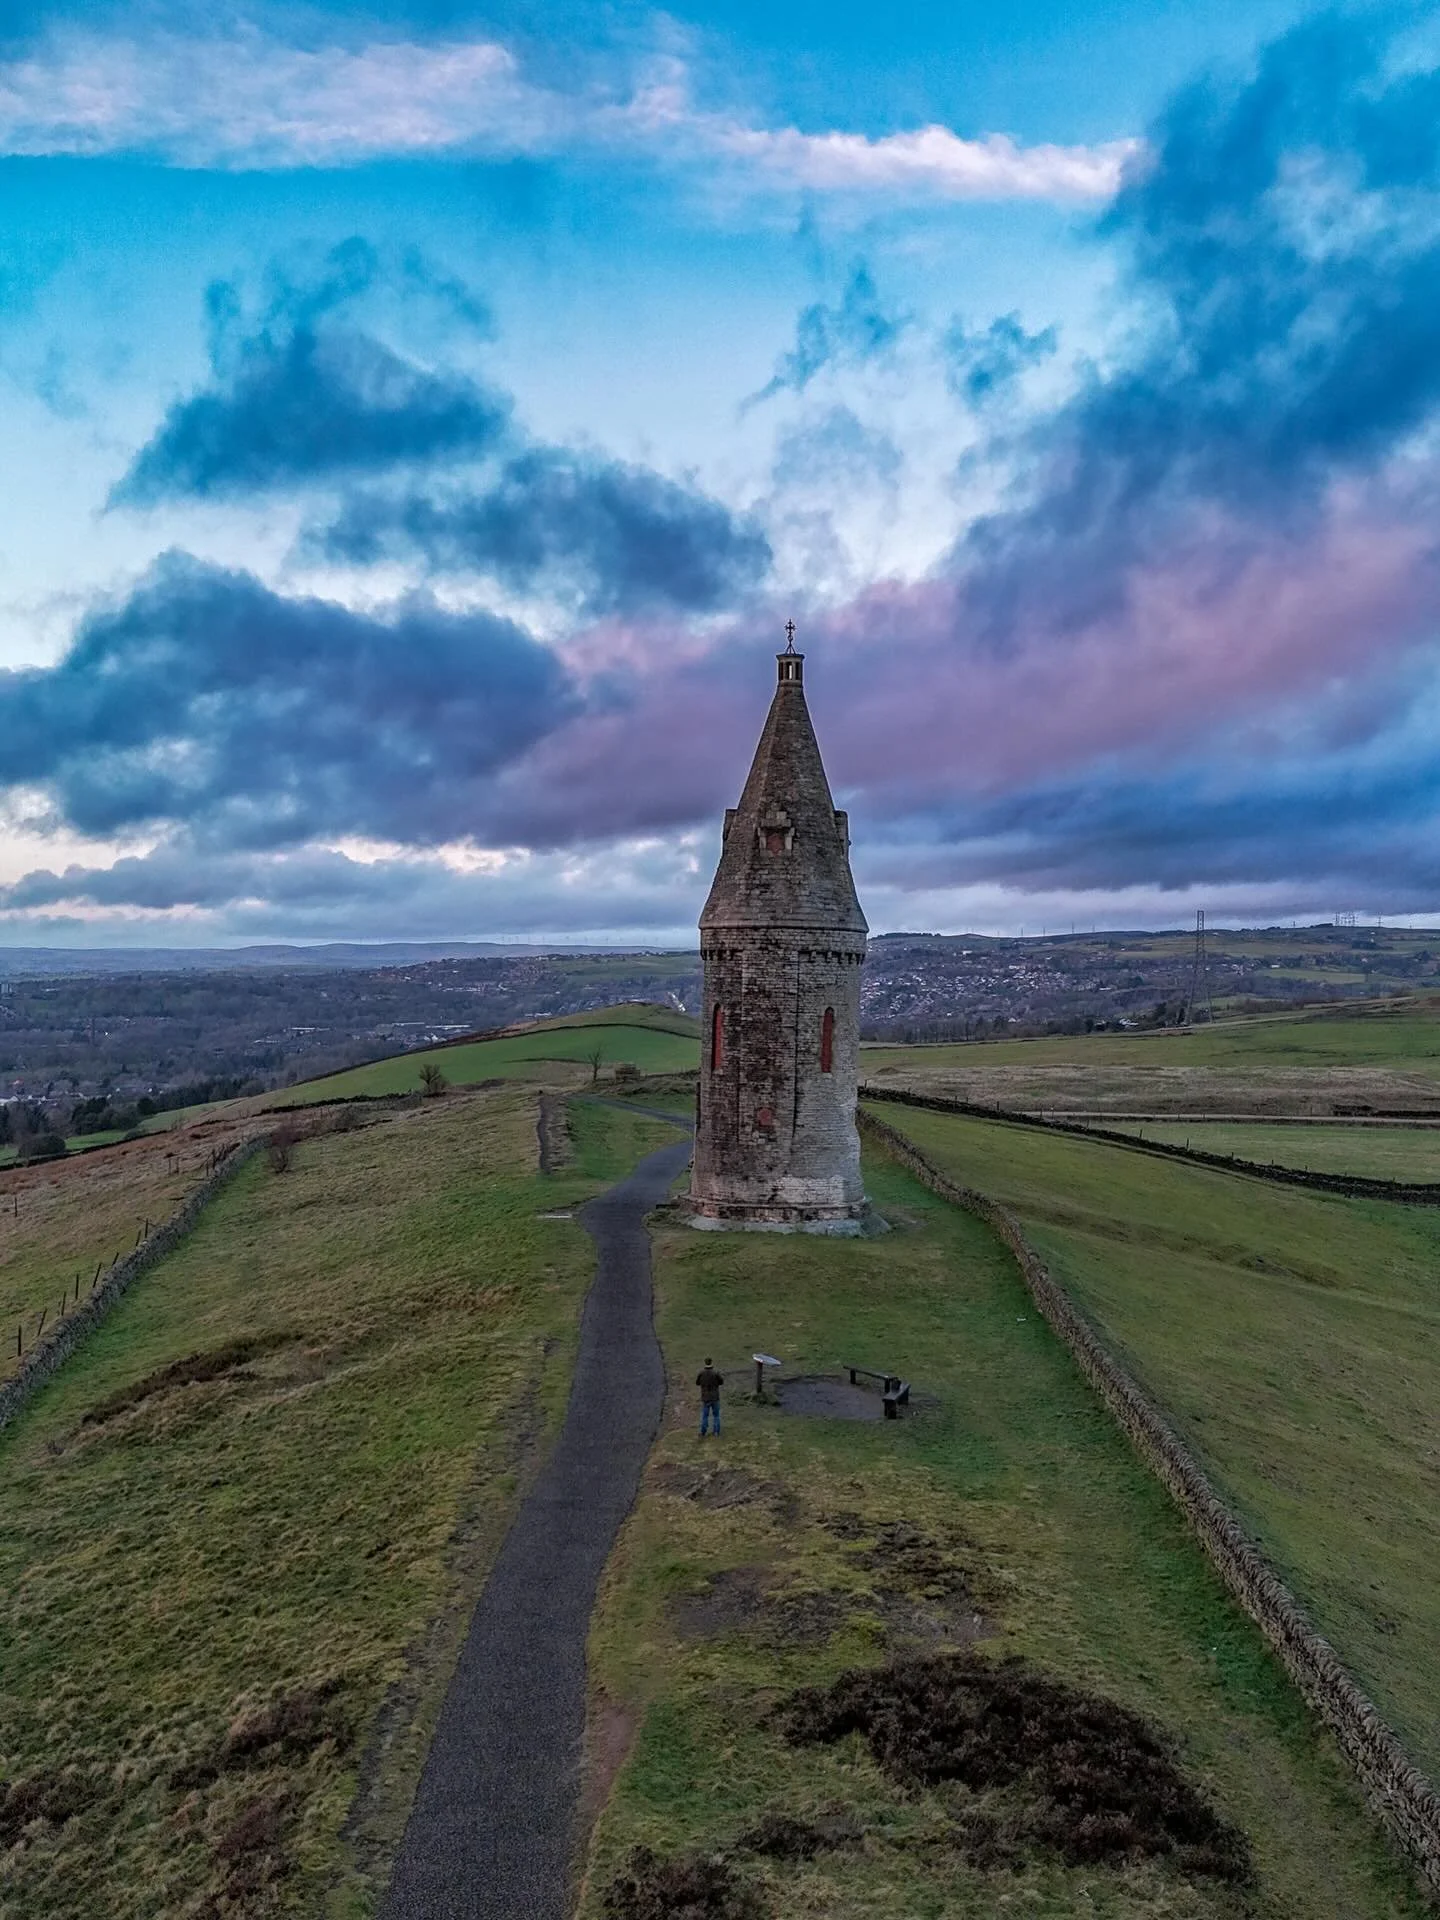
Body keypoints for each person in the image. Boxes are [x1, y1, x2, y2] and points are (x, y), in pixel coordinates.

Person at [696, 1357, 724, 1437]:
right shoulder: (715, 1373)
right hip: (715, 1397)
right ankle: (716, 1432)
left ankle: (703, 1432)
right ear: (711, 1362)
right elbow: (721, 1382)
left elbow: (697, 1383)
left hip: (705, 1398)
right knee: (716, 1415)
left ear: (705, 1363)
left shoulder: (701, 1373)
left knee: (705, 1416)